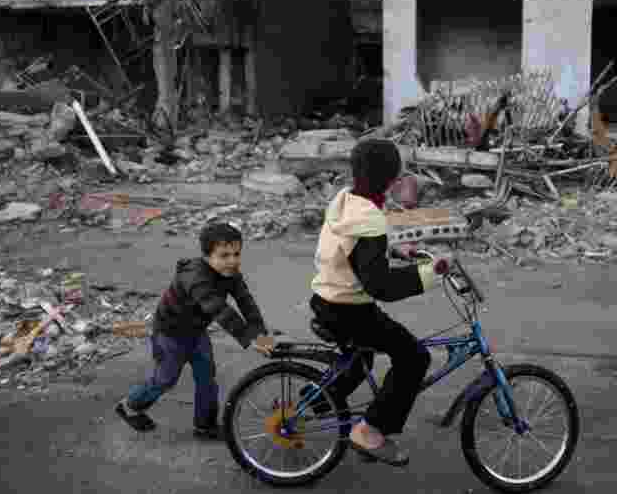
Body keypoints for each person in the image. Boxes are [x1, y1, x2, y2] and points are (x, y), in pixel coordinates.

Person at [309, 138, 449, 467]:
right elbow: (381, 286)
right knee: (414, 357)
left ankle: (307, 404)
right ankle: (371, 431)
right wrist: (431, 273)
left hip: (326, 298)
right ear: (392, 178)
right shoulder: (368, 217)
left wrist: (396, 250)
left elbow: (357, 248)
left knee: (360, 362)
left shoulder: (347, 200)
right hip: (349, 309)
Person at [115, 221, 275, 439]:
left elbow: (245, 301)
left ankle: (205, 426)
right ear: (208, 256)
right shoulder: (195, 277)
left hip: (197, 333)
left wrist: (258, 332)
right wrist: (247, 337)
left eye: (237, 254)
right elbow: (218, 308)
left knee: (207, 379)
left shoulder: (231, 273)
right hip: (169, 335)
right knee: (165, 380)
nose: (233, 261)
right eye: (224, 255)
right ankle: (130, 405)